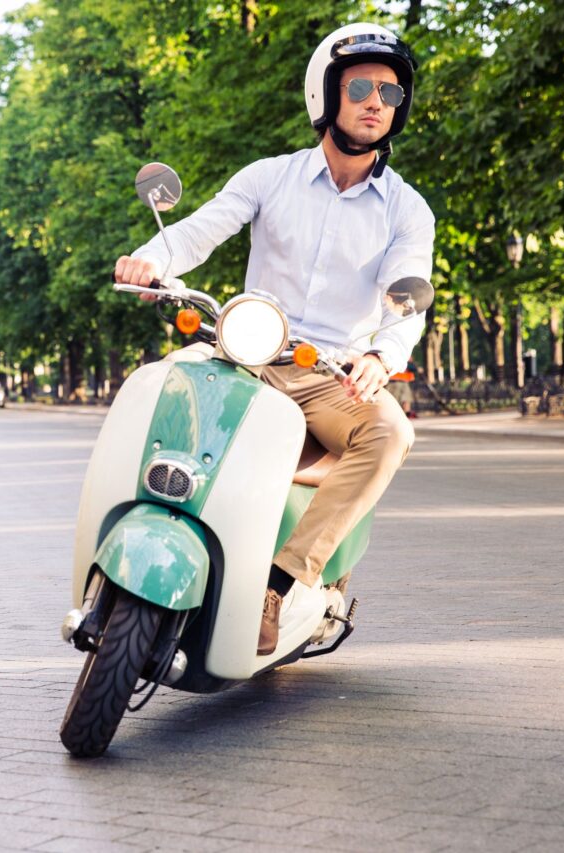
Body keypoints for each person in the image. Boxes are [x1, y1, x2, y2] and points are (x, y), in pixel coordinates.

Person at [113, 22, 434, 655]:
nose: (376, 102)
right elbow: (198, 232)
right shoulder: (269, 177)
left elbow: (407, 296)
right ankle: (140, 531)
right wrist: (152, 257)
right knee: (152, 388)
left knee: (393, 432)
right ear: (327, 93)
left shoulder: (407, 209)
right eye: (363, 86)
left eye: (391, 95)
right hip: (245, 351)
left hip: (329, 372)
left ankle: (282, 583)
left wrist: (382, 354)